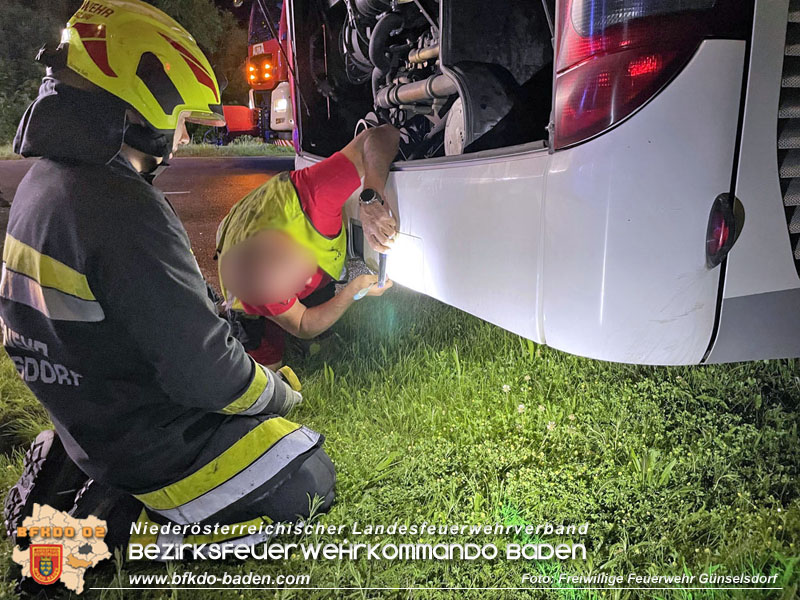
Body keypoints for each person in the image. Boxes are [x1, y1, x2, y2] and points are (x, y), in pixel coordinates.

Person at [0, 0, 334, 553]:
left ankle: (69, 471)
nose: (180, 139)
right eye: (179, 119)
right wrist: (274, 393)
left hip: (87, 417)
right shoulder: (123, 208)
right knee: (305, 469)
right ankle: (116, 528)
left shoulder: (43, 184)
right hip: (144, 438)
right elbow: (203, 376)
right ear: (142, 101)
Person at [216, 125, 401, 370]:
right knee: (264, 372)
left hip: (258, 221)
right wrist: (353, 291)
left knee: (318, 326)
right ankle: (238, 321)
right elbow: (302, 323)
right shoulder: (258, 285)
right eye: (288, 291)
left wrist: (371, 196)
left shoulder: (316, 193)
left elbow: (383, 134)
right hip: (235, 256)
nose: (299, 286)